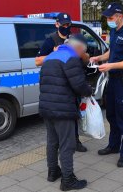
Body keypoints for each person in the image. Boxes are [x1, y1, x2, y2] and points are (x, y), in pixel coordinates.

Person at [39, 34, 93, 191]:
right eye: (83, 52)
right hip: (62, 109)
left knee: (52, 141)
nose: (82, 55)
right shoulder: (71, 58)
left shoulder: (50, 57)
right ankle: (68, 180)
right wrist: (89, 90)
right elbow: (79, 85)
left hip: (46, 107)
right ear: (78, 48)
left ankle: (53, 172)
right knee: (67, 145)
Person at [90, 2, 123, 168]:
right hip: (112, 79)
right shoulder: (113, 30)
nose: (108, 20)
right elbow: (112, 51)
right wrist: (99, 58)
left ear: (120, 16)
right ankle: (113, 145)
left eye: (110, 17)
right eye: (107, 17)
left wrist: (110, 65)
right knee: (111, 114)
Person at [35, 12, 89, 153]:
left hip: (73, 83)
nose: (66, 27)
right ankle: (66, 145)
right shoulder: (50, 40)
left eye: (68, 24)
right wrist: (54, 52)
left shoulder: (73, 38)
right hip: (59, 86)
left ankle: (76, 141)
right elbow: (38, 61)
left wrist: (83, 55)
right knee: (60, 124)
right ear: (57, 24)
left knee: (75, 113)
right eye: (63, 24)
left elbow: (85, 57)